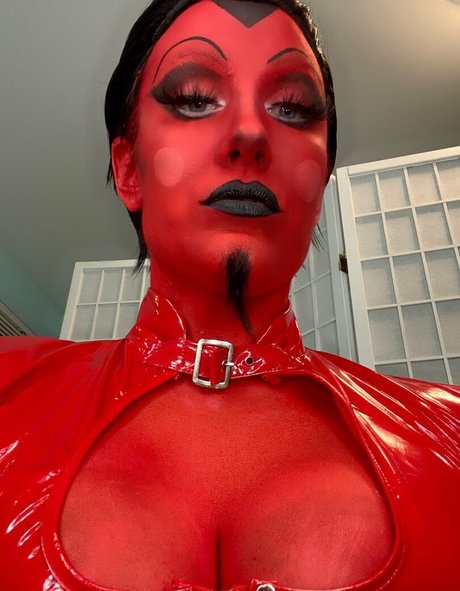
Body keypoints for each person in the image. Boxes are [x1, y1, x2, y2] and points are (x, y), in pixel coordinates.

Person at [0, 1, 459, 589]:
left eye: (292, 107)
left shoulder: (451, 434)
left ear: (320, 184)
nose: (250, 132)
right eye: (194, 98)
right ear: (128, 170)